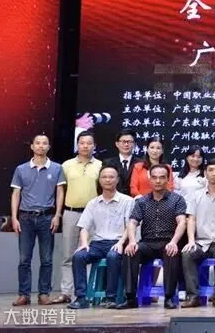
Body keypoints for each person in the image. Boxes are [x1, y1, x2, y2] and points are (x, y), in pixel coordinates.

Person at [117, 164, 187, 309]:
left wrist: (174, 242)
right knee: (130, 252)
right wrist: (132, 241)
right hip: (147, 243)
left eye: (162, 177)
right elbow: (132, 222)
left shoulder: (177, 199)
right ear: (150, 179)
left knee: (172, 252)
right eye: (154, 177)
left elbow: (182, 222)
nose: (158, 181)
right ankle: (130, 297)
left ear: (167, 179)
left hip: (168, 241)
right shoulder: (142, 201)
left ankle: (169, 297)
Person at [10, 134, 66, 306]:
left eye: (44, 143)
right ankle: (24, 295)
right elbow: (16, 194)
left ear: (48, 147)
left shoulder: (56, 168)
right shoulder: (21, 169)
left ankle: (44, 294)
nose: (41, 146)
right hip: (25, 217)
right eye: (38, 143)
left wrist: (57, 215)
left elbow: (60, 192)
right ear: (32, 146)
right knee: (24, 259)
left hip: (47, 217)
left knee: (46, 259)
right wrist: (14, 218)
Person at [68, 164, 134, 309]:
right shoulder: (93, 203)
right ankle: (81, 298)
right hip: (97, 244)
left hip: (117, 242)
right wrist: (84, 243)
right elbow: (84, 227)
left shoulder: (127, 201)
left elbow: (130, 225)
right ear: (99, 180)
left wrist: (121, 243)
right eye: (104, 177)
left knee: (113, 256)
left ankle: (111, 298)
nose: (107, 180)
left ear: (117, 180)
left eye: (111, 177)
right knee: (78, 256)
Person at [180, 158, 215, 308]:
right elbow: (191, 219)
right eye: (211, 170)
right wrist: (191, 241)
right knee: (187, 253)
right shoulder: (195, 195)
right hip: (200, 242)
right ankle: (193, 297)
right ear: (205, 173)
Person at [55, 131, 102, 304]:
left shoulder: (100, 165)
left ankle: (86, 291)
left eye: (89, 143)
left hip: (92, 214)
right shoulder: (67, 165)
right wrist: (58, 214)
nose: (85, 146)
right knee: (68, 254)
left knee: (89, 253)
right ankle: (66, 292)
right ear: (77, 145)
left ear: (94, 146)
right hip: (70, 212)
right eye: (82, 143)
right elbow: (61, 190)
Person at [100, 129, 137, 196]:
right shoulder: (108, 162)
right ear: (117, 144)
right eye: (123, 141)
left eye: (129, 142)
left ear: (134, 144)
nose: (126, 144)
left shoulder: (140, 163)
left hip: (135, 199)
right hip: (114, 199)